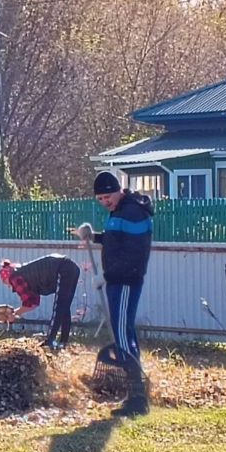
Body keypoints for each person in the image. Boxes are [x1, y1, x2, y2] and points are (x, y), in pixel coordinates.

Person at [71, 171, 154, 417]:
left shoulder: (132, 212)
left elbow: (134, 255)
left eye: (108, 196)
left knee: (120, 333)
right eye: (100, 199)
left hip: (126, 281)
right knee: (123, 332)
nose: (105, 202)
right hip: (118, 280)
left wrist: (105, 276)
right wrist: (94, 236)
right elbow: (116, 240)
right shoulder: (120, 210)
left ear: (119, 190)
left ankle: (137, 397)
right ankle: (137, 391)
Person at [0, 254, 81, 350]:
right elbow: (34, 303)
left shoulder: (15, 279)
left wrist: (14, 314)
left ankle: (49, 341)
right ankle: (63, 342)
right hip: (72, 268)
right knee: (64, 306)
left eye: (4, 281)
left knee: (59, 307)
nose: (6, 284)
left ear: (7, 277)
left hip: (62, 268)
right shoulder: (23, 273)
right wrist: (16, 313)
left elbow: (30, 303)